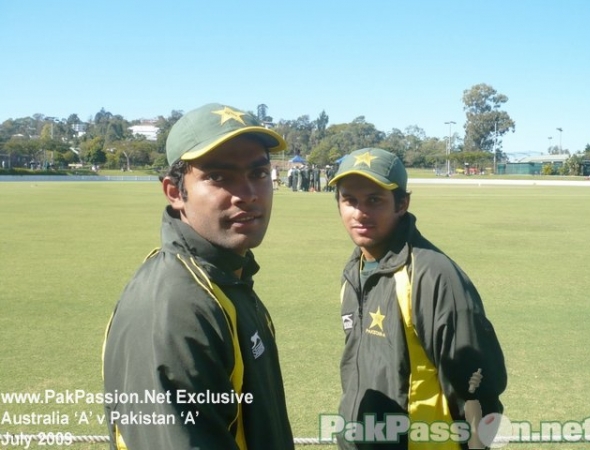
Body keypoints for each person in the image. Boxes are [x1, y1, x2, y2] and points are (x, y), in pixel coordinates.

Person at [103, 103, 294, 450]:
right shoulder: (177, 308)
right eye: (219, 177)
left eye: (259, 173)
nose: (248, 194)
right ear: (175, 192)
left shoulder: (224, 279)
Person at [328, 148, 507, 449]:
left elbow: (479, 388)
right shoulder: (354, 270)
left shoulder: (435, 277)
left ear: (402, 204)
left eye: (374, 200)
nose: (359, 213)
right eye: (350, 200)